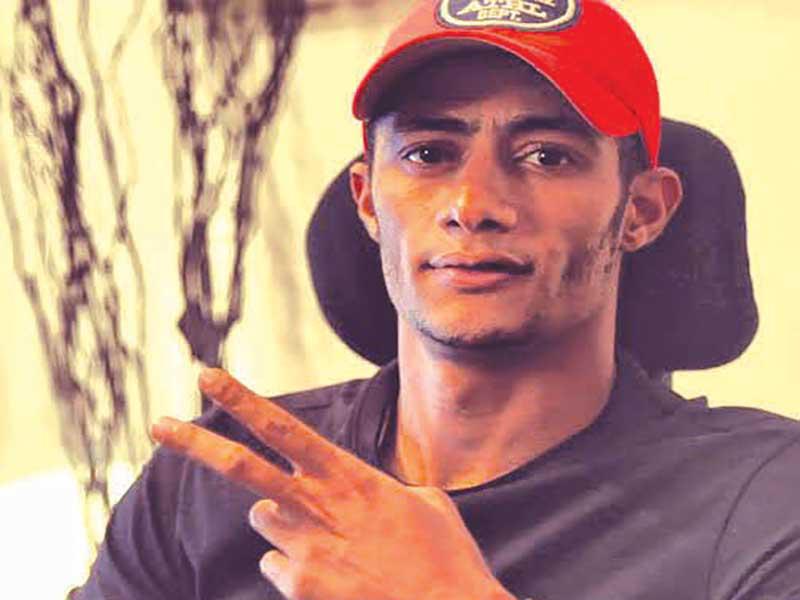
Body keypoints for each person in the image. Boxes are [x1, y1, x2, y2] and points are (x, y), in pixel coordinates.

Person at [75, 1, 800, 599]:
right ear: (367, 199)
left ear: (641, 210)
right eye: (428, 153)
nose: (472, 204)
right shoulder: (214, 482)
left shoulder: (766, 501)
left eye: (547, 156)